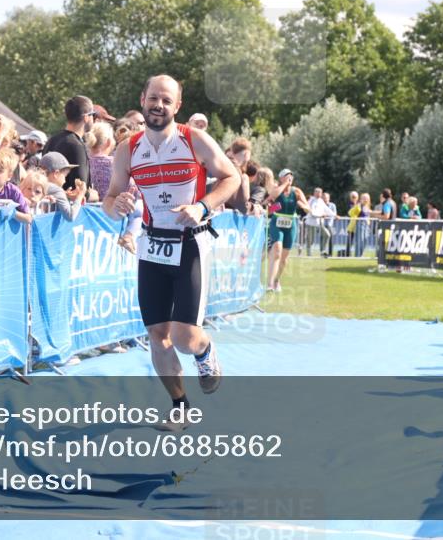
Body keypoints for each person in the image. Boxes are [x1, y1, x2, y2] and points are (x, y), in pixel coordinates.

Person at [102, 74, 239, 414]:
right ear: (143, 99)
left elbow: (232, 177)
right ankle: (180, 406)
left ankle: (205, 351)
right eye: (154, 99)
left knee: (183, 338)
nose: (159, 106)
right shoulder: (128, 148)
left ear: (177, 106)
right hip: (152, 246)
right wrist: (115, 205)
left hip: (190, 244)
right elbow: (111, 197)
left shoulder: (195, 140)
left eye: (166, 100)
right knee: (157, 335)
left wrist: (202, 206)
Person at [265, 169, 311, 290]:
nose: (289, 178)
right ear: (281, 178)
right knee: (277, 251)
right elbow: (270, 201)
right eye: (286, 176)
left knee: (284, 259)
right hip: (277, 223)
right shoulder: (276, 189)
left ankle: (276, 280)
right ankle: (269, 284)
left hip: (291, 225)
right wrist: (284, 186)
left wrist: (303, 206)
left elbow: (308, 209)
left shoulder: (296, 191)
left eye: (291, 176)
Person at [45, 96, 93, 194]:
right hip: (68, 207)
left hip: (50, 204)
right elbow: (80, 191)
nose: (94, 119)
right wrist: (93, 195)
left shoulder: (51, 140)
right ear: (86, 118)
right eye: (93, 115)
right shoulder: (76, 146)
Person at [37, 152, 83, 219]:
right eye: (65, 175)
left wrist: (64, 194)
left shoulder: (34, 183)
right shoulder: (57, 190)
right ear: (56, 173)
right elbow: (70, 215)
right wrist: (80, 195)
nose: (65, 180)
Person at [86, 120, 116, 202]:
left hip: (88, 211)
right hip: (112, 210)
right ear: (108, 142)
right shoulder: (116, 164)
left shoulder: (83, 162)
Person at [303, 187, 332, 256]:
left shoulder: (321, 201)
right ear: (314, 193)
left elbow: (327, 209)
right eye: (317, 192)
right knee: (310, 239)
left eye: (320, 192)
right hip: (311, 223)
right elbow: (312, 212)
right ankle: (309, 254)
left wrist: (335, 215)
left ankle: (323, 251)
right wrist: (320, 215)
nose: (319, 193)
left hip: (319, 223)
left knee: (327, 235)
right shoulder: (311, 200)